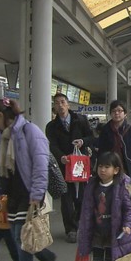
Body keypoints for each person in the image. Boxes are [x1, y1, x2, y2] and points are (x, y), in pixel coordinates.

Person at [0, 98, 57, 261]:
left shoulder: (30, 131)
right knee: (20, 235)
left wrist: (37, 194)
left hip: (27, 193)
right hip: (11, 194)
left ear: (1, 116)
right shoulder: (4, 137)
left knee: (21, 235)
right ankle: (45, 256)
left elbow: (41, 165)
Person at [45, 93, 94, 243]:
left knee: (82, 197)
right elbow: (52, 145)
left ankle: (79, 221)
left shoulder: (81, 120)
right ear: (54, 107)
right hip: (64, 166)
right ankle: (71, 229)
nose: (60, 105)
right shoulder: (51, 126)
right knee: (66, 198)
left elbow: (91, 137)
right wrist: (61, 157)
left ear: (68, 104)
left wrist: (83, 142)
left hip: (80, 165)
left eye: (62, 102)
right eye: (57, 103)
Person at [97, 100, 131, 192]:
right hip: (109, 169)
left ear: (125, 114)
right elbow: (101, 152)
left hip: (126, 170)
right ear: (110, 114)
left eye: (120, 111)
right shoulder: (105, 130)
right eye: (113, 111)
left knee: (125, 198)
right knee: (109, 198)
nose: (116, 113)